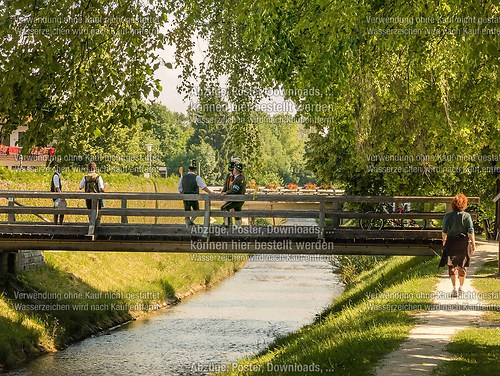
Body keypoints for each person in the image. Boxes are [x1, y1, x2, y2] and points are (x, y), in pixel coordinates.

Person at [439, 194, 476, 297]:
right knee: (462, 266)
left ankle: (454, 288)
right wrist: (473, 244)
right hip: (463, 243)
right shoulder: (466, 216)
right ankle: (461, 287)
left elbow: (444, 231)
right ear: (464, 204)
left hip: (451, 242)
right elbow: (471, 231)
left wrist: (444, 241)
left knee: (451, 265)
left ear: (453, 204)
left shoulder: (448, 216)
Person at [178, 160, 213, 227]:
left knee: (187, 211)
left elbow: (179, 188)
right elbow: (203, 187)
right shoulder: (197, 177)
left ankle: (187, 224)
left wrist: (183, 193)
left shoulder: (183, 177)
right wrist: (210, 193)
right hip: (194, 197)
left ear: (189, 169)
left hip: (185, 197)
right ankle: (191, 221)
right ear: (195, 170)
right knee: (197, 210)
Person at [221, 162, 246, 227]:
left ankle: (227, 224)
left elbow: (234, 189)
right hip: (238, 199)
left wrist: (226, 192)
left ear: (236, 170)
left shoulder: (238, 179)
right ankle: (238, 227)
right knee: (237, 213)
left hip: (236, 199)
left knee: (224, 208)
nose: (233, 170)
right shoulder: (240, 178)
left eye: (234, 169)